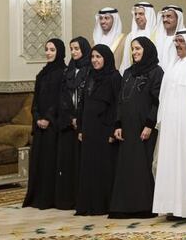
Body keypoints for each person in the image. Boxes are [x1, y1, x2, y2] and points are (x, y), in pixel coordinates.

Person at [152, 30, 186, 220]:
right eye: (176, 41)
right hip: (171, 126)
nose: (177, 45)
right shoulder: (173, 65)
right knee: (170, 164)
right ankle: (172, 207)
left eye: (181, 41)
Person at [109, 37, 163, 218]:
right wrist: (118, 124)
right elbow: (120, 101)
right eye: (132, 49)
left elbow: (157, 102)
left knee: (142, 166)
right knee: (127, 167)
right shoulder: (128, 72)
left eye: (138, 49)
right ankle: (124, 207)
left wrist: (149, 124)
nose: (134, 52)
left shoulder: (156, 72)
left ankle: (144, 207)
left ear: (146, 50)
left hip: (144, 127)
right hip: (127, 127)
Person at [75, 44, 121, 216]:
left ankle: (103, 205)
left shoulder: (114, 77)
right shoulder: (90, 76)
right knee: (88, 167)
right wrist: (80, 127)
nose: (95, 60)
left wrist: (113, 129)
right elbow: (83, 103)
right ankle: (89, 205)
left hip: (105, 130)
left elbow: (117, 104)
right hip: (89, 129)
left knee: (104, 168)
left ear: (106, 58)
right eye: (93, 57)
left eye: (98, 57)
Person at [23, 38, 66, 210]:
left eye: (52, 50)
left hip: (52, 125)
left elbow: (60, 100)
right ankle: (36, 197)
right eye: (47, 49)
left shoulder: (63, 72)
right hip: (40, 124)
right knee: (38, 161)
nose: (48, 52)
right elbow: (36, 100)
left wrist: (47, 118)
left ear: (59, 52)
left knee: (50, 161)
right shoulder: (42, 73)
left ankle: (48, 199)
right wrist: (37, 116)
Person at [54, 36, 91, 210]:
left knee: (82, 162)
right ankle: (67, 199)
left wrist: (80, 118)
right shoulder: (68, 70)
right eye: (72, 49)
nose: (74, 52)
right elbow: (63, 97)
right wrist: (71, 118)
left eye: (77, 48)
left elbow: (88, 98)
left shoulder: (90, 70)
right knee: (68, 162)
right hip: (69, 123)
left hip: (85, 122)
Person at [120, 2, 158, 74]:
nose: (137, 17)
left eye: (141, 14)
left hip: (152, 75)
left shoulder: (157, 34)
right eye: (135, 14)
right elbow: (126, 61)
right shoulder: (130, 36)